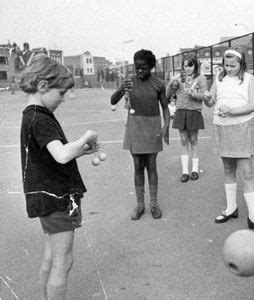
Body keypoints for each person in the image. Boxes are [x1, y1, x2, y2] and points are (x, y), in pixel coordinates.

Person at [19, 54, 98, 299]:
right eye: (60, 93)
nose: (63, 99)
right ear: (43, 86)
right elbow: (62, 155)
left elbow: (54, 156)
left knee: (51, 258)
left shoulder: (30, 116)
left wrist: (81, 151)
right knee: (63, 262)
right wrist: (85, 138)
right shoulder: (41, 119)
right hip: (58, 199)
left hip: (46, 198)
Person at [204, 47, 254, 233]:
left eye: (233, 65)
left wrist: (231, 111)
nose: (229, 68)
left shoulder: (249, 79)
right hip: (222, 126)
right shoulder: (218, 78)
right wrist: (207, 98)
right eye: (226, 65)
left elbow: (253, 105)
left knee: (247, 174)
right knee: (228, 170)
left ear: (241, 63)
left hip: (242, 127)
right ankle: (231, 208)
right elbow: (211, 103)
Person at [110, 49, 170, 220]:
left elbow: (165, 108)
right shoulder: (129, 82)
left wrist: (166, 125)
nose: (140, 71)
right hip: (134, 126)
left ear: (151, 66)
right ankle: (140, 205)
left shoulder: (158, 84)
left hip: (152, 127)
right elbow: (113, 101)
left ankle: (154, 205)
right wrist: (122, 88)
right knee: (137, 166)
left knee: (151, 166)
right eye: (137, 68)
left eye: (143, 67)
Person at [166, 53, 207, 182]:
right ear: (182, 66)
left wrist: (194, 94)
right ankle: (185, 172)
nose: (188, 68)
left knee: (193, 139)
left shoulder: (201, 78)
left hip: (194, 111)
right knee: (184, 140)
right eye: (186, 66)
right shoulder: (179, 78)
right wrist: (172, 84)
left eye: (191, 65)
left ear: (195, 65)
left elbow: (205, 96)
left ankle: (194, 170)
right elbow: (168, 94)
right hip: (181, 112)